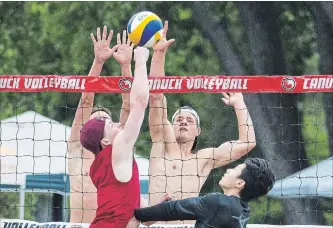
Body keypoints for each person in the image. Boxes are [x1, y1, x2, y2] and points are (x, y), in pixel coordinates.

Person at [148, 21, 256, 224]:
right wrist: (159, 54)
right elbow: (156, 96)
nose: (183, 122)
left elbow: (248, 142)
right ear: (169, 126)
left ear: (198, 131)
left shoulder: (203, 159)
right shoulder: (160, 144)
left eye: (189, 120)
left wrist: (239, 103)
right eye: (178, 118)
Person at [67, 26, 134, 223]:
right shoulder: (77, 147)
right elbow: (86, 100)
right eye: (96, 120)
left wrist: (126, 66)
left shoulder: (120, 150)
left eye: (106, 120)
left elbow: (128, 105)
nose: (102, 121)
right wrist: (98, 62)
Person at [79, 45, 151, 227]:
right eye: (110, 124)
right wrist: (141, 61)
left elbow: (144, 217)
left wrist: (161, 207)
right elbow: (140, 103)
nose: (118, 124)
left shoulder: (99, 169)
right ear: (105, 141)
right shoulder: (117, 147)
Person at [127, 158, 275, 228]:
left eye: (234, 169)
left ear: (240, 183)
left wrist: (138, 215)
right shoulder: (244, 210)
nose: (228, 170)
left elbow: (173, 209)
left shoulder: (218, 202)